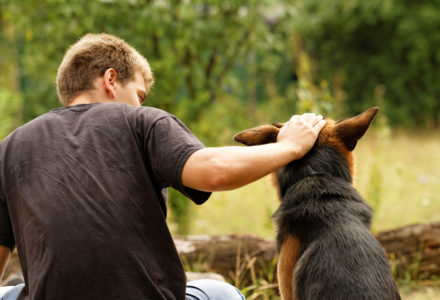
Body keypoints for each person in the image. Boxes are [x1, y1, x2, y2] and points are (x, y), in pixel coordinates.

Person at [0, 33, 326, 300]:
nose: (142, 102)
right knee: (223, 293)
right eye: (139, 93)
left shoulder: (10, 148)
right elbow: (215, 170)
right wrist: (290, 146)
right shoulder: (140, 121)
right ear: (111, 80)